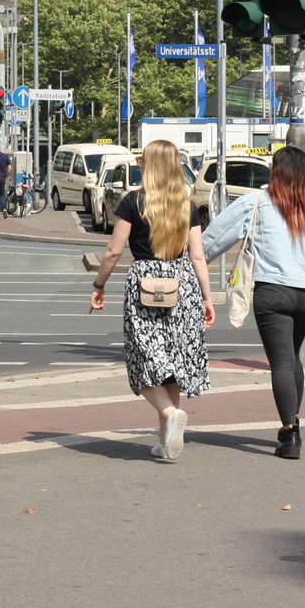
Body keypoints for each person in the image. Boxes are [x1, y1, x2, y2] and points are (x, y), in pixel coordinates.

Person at [202, 145, 305, 460]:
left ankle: (290, 434)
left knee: (282, 362)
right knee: (293, 358)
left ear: (277, 173)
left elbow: (215, 238)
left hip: (273, 293)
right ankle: (294, 422)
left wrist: (188, 263)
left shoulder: (256, 202)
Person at [90, 140, 215, 460]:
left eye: (143, 159)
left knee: (142, 362)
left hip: (145, 285)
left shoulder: (134, 202)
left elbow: (114, 250)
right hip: (182, 284)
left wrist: (99, 285)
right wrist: (207, 298)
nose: (140, 163)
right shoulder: (187, 205)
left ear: (150, 165)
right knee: (171, 365)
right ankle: (166, 441)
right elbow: (198, 256)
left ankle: (171, 416)